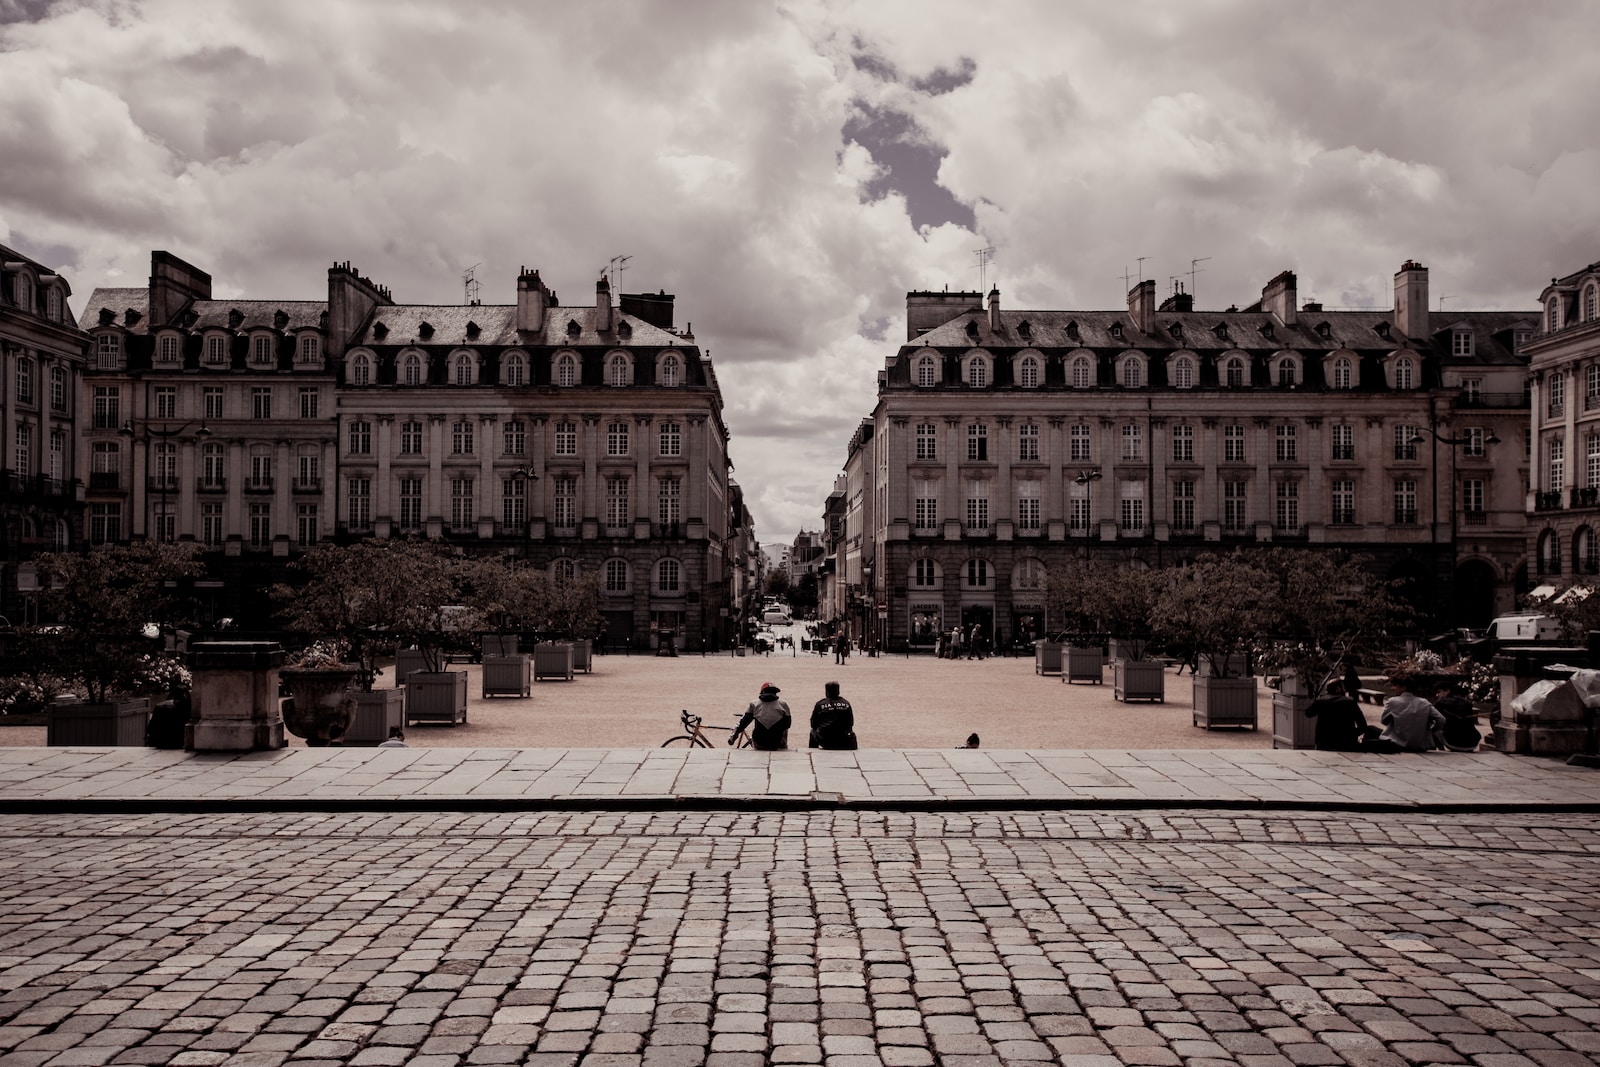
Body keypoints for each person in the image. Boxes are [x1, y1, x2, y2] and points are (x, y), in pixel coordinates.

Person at [1370, 678, 1445, 753]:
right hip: (1420, 745)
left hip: (1397, 743)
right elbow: (1441, 719)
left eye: (1396, 686)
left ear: (1403, 687)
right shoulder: (1425, 703)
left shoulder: (1392, 702)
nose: (1393, 688)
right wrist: (1430, 730)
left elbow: (1384, 720)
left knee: (1371, 730)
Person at [1304, 680, 1370, 752]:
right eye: (1343, 687)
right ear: (1338, 688)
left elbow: (1308, 713)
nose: (1345, 690)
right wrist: (1352, 734)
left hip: (1324, 742)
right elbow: (1363, 725)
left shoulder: (1321, 701)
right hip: (1346, 742)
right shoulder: (1350, 702)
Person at [733, 682, 791, 750]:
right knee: (784, 727)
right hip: (777, 742)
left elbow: (744, 722)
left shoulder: (754, 704)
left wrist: (734, 737)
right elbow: (788, 724)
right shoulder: (783, 704)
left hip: (759, 742)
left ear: (762, 692)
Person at [1433, 684, 1481, 752]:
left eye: (1439, 692)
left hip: (1453, 744)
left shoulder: (1440, 704)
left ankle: (1441, 750)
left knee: (1433, 726)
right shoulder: (1467, 702)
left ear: (1447, 691)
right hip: (1472, 744)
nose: (1437, 695)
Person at [809, 681, 857, 750]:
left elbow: (813, 724)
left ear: (827, 692)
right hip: (843, 740)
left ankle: (812, 750)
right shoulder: (846, 703)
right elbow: (850, 723)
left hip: (825, 741)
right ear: (838, 691)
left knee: (813, 731)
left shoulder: (820, 704)